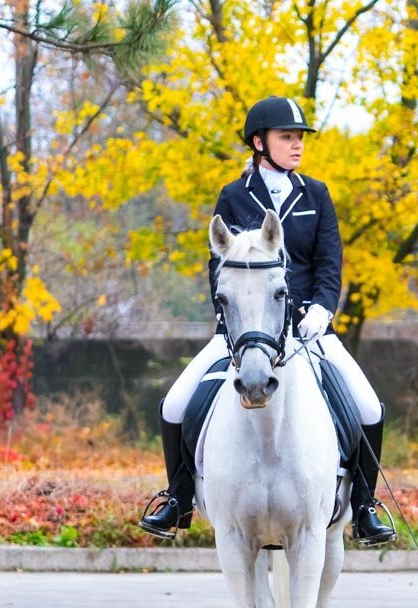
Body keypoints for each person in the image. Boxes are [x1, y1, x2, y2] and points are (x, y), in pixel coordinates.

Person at [139, 95, 396, 547]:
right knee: (174, 406)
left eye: (299, 138)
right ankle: (177, 498)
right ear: (260, 142)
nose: (296, 145)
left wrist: (321, 308)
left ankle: (365, 507)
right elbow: (217, 266)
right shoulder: (234, 196)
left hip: (308, 330)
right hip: (243, 334)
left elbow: (328, 261)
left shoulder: (316, 194)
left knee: (370, 407)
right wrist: (231, 323)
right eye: (287, 137)